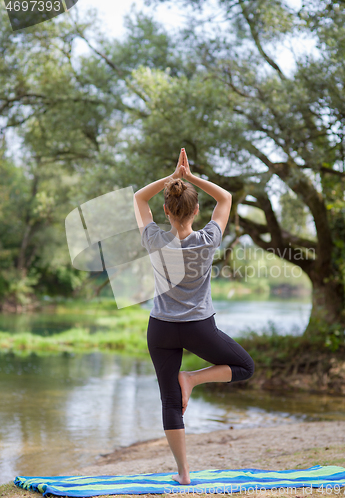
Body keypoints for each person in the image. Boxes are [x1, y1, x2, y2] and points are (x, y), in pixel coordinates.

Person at [133, 148, 255, 485]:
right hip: (199, 327)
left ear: (166, 210)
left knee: (169, 400)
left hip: (160, 329)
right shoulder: (208, 240)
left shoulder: (154, 239)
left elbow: (139, 200)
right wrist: (188, 178)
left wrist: (172, 179)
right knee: (246, 367)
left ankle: (184, 474)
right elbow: (226, 198)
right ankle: (193, 379)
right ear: (197, 210)